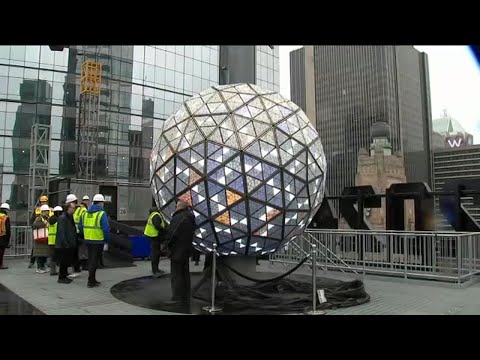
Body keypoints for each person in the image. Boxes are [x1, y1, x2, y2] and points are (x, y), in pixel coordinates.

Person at [78, 194, 110, 288]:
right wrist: (107, 240)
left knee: (91, 259)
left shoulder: (85, 213)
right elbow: (106, 229)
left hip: (88, 240)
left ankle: (92, 279)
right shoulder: (102, 214)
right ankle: (91, 281)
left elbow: (80, 226)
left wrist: (85, 235)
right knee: (94, 261)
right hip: (98, 241)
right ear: (101, 203)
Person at [167, 200, 195, 303]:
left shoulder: (178, 218)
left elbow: (171, 234)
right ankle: (186, 295)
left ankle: (177, 297)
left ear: (178, 207)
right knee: (185, 273)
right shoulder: (190, 218)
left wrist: (167, 247)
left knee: (176, 275)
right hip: (186, 250)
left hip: (177, 250)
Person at [55, 202, 78, 284]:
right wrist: (65, 243)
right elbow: (62, 232)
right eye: (73, 208)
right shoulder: (63, 218)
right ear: (68, 208)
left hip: (70, 243)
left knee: (66, 261)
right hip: (64, 245)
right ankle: (61, 277)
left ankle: (64, 276)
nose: (74, 209)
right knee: (63, 261)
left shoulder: (70, 217)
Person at [143, 206, 168, 278]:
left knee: (156, 253)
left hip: (153, 236)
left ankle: (156, 269)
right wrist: (165, 230)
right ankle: (155, 271)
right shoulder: (156, 215)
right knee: (155, 253)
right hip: (154, 236)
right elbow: (157, 226)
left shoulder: (154, 215)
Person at [29, 195, 51, 268]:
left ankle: (44, 263)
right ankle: (32, 262)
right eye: (42, 201)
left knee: (44, 248)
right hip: (38, 230)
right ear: (40, 202)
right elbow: (32, 220)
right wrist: (34, 228)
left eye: (45, 201)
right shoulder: (37, 209)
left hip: (46, 231)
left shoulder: (50, 209)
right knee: (36, 248)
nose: (44, 203)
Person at [66, 194, 83, 277]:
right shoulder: (72, 210)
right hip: (73, 233)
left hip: (77, 234)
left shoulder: (80, 210)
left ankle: (76, 269)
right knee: (73, 253)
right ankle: (76, 269)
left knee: (75, 253)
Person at [32, 204, 51, 273]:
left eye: (48, 211)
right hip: (39, 240)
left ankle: (43, 267)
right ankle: (39, 268)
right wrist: (44, 224)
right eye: (46, 211)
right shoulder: (39, 218)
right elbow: (34, 225)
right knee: (40, 255)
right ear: (42, 212)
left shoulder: (47, 218)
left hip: (44, 239)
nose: (47, 213)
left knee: (44, 255)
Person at [47, 206, 63, 276]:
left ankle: (52, 271)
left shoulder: (49, 220)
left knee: (52, 257)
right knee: (60, 257)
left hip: (50, 241)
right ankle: (61, 271)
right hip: (58, 241)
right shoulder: (59, 220)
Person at [0, 203, 11, 270]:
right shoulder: (5, 217)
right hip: (2, 237)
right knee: (1, 252)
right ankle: (0, 265)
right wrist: (8, 240)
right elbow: (8, 230)